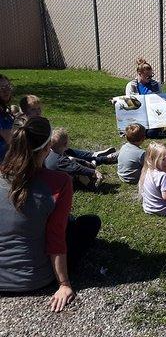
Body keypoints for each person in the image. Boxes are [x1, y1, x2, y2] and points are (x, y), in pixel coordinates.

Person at [0, 116, 100, 312]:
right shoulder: (60, 182)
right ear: (47, 149)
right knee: (89, 223)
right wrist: (64, 284)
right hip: (34, 278)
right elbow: (55, 238)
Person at [21, 95, 116, 165]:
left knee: (66, 148)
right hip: (45, 157)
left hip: (50, 151)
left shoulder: (41, 122)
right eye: (33, 110)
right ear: (25, 112)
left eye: (39, 108)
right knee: (65, 153)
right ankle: (97, 159)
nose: (38, 112)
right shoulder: (27, 128)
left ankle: (94, 155)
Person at [125, 58, 164, 138]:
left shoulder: (156, 85)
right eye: (147, 76)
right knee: (138, 132)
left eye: (151, 75)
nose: (150, 78)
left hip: (153, 116)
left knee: (150, 134)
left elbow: (161, 102)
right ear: (140, 73)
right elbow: (129, 104)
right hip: (137, 116)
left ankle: (155, 129)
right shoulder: (131, 86)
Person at [0, 75, 14, 162]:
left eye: (8, 86)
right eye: (1, 88)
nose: (6, 90)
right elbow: (10, 139)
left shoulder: (3, 109)